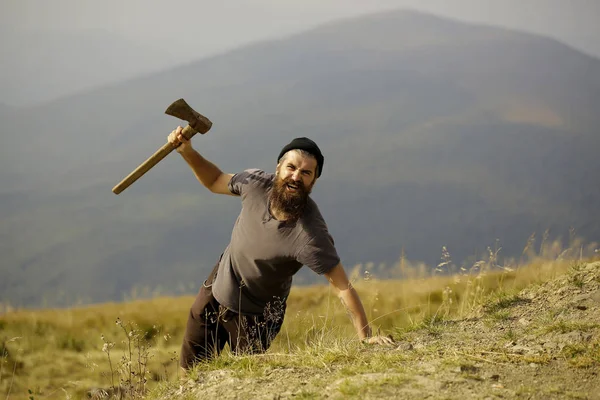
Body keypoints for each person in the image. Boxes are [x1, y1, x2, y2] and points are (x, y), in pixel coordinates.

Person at [167, 126, 393, 370]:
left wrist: (366, 336)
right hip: (216, 290)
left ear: (313, 182)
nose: (296, 176)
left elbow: (342, 287)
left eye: (306, 173)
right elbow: (214, 180)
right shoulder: (254, 184)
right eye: (291, 167)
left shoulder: (310, 234)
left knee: (244, 381)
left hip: (257, 317)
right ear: (278, 169)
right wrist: (186, 151)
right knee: (189, 373)